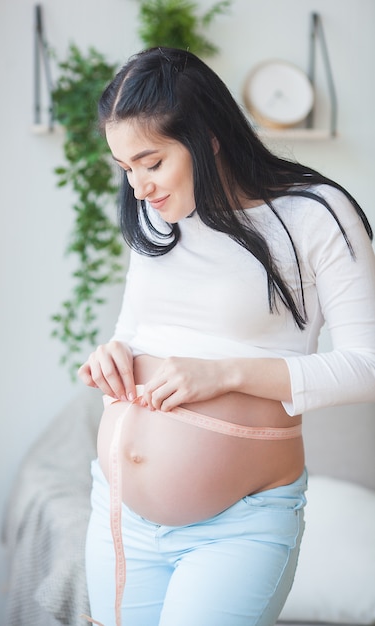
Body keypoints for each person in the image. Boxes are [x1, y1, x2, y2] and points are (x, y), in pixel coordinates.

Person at [78, 47, 375, 626]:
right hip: (118, 513)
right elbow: (136, 330)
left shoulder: (317, 214)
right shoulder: (155, 216)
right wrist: (114, 355)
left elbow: (369, 365)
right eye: (125, 168)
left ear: (207, 137)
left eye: (152, 162)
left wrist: (225, 373)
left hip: (238, 527)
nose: (138, 187)